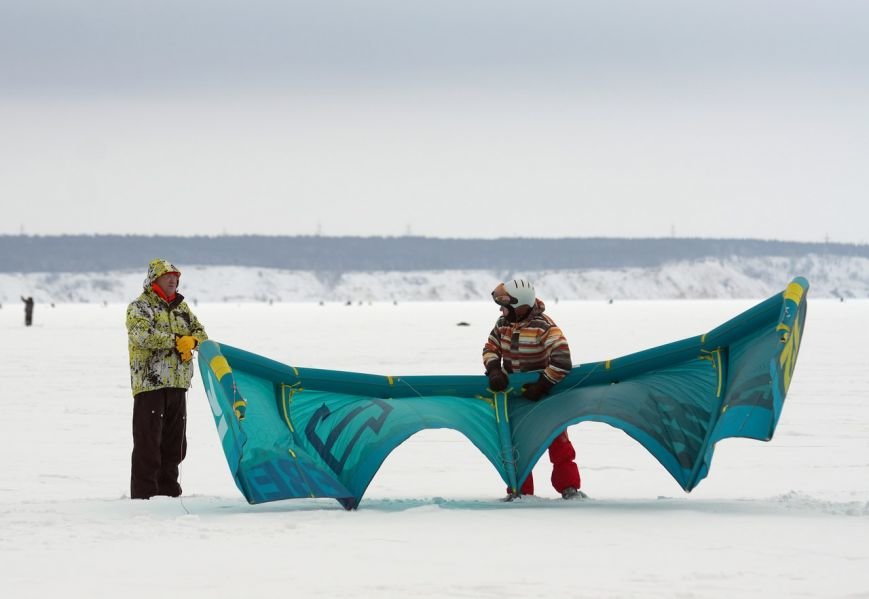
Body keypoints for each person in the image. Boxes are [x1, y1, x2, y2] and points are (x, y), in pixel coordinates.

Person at [482, 279, 584, 500]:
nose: (500, 309)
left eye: (504, 305)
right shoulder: (502, 324)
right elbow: (490, 347)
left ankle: (569, 489)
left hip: (545, 397)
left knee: (559, 443)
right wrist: (494, 370)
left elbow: (562, 360)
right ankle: (519, 492)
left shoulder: (545, 327)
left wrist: (543, 385)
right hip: (514, 400)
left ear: (519, 305)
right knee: (513, 447)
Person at [126, 258, 208, 500]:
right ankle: (144, 496)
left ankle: (169, 494)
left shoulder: (182, 309)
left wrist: (193, 341)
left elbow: (202, 333)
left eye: (176, 276)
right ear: (155, 280)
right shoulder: (140, 307)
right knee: (148, 444)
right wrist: (176, 341)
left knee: (175, 445)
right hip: (150, 384)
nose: (173, 280)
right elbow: (141, 335)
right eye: (168, 276)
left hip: (178, 384)